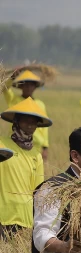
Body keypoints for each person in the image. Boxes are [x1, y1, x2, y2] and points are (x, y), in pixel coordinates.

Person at [0, 98, 50, 239]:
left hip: (24, 218)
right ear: (16, 121)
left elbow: (38, 191)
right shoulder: (2, 144)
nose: (30, 124)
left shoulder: (36, 156)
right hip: (3, 213)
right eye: (26, 120)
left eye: (34, 121)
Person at [3, 69, 50, 160]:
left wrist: (45, 147)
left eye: (31, 84)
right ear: (21, 86)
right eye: (26, 84)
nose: (28, 87)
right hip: (16, 142)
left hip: (36, 144)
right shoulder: (14, 100)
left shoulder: (40, 104)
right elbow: (4, 89)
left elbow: (45, 129)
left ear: (35, 87)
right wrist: (12, 78)